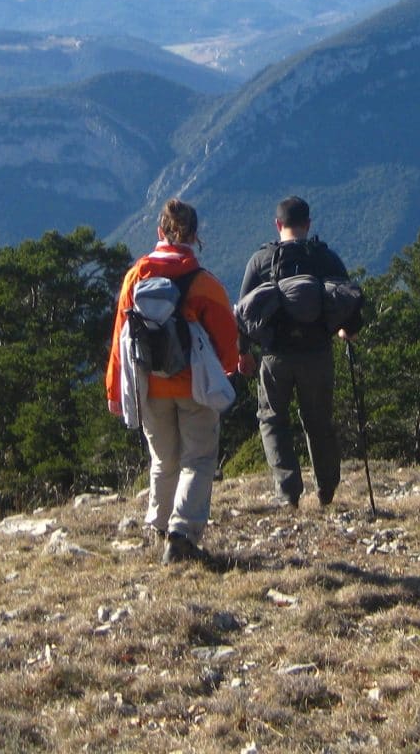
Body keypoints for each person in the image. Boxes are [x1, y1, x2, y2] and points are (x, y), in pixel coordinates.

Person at [106, 198, 242, 565]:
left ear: (159, 232)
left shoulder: (136, 276)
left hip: (148, 386)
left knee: (163, 460)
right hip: (194, 386)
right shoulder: (204, 284)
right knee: (198, 459)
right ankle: (182, 534)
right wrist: (227, 372)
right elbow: (227, 341)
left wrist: (115, 390)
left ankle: (160, 526)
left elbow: (121, 338)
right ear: (196, 236)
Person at [240, 195, 357, 509]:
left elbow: (243, 312)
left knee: (272, 420)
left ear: (278, 225)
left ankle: (288, 491)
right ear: (308, 224)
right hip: (316, 353)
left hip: (274, 355)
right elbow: (349, 301)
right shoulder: (325, 258)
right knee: (319, 422)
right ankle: (327, 488)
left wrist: (243, 352)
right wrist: (346, 330)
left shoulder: (261, 261)